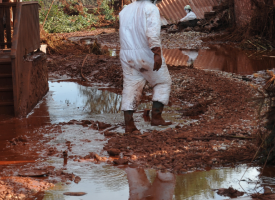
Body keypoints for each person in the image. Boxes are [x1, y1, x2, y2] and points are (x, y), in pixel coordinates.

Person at [119, 0, 172, 133]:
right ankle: (156, 118)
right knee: (162, 82)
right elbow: (152, 33)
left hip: (126, 55)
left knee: (130, 86)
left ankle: (129, 125)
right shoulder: (151, 8)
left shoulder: (124, 10)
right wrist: (157, 53)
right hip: (145, 53)